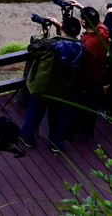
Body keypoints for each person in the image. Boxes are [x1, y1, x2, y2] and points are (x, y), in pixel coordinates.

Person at [19, 17, 85, 151]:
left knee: (34, 115)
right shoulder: (80, 48)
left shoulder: (50, 45)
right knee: (58, 118)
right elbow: (67, 43)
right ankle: (56, 143)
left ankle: (28, 138)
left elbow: (33, 49)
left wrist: (41, 35)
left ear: (62, 27)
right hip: (63, 89)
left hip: (42, 88)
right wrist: (60, 29)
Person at [64, 2, 109, 139]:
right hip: (98, 77)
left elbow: (85, 70)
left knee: (73, 106)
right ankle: (88, 128)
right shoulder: (104, 32)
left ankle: (69, 133)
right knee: (92, 106)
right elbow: (97, 22)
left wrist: (81, 87)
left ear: (83, 22)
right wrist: (82, 7)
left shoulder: (86, 45)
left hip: (86, 81)